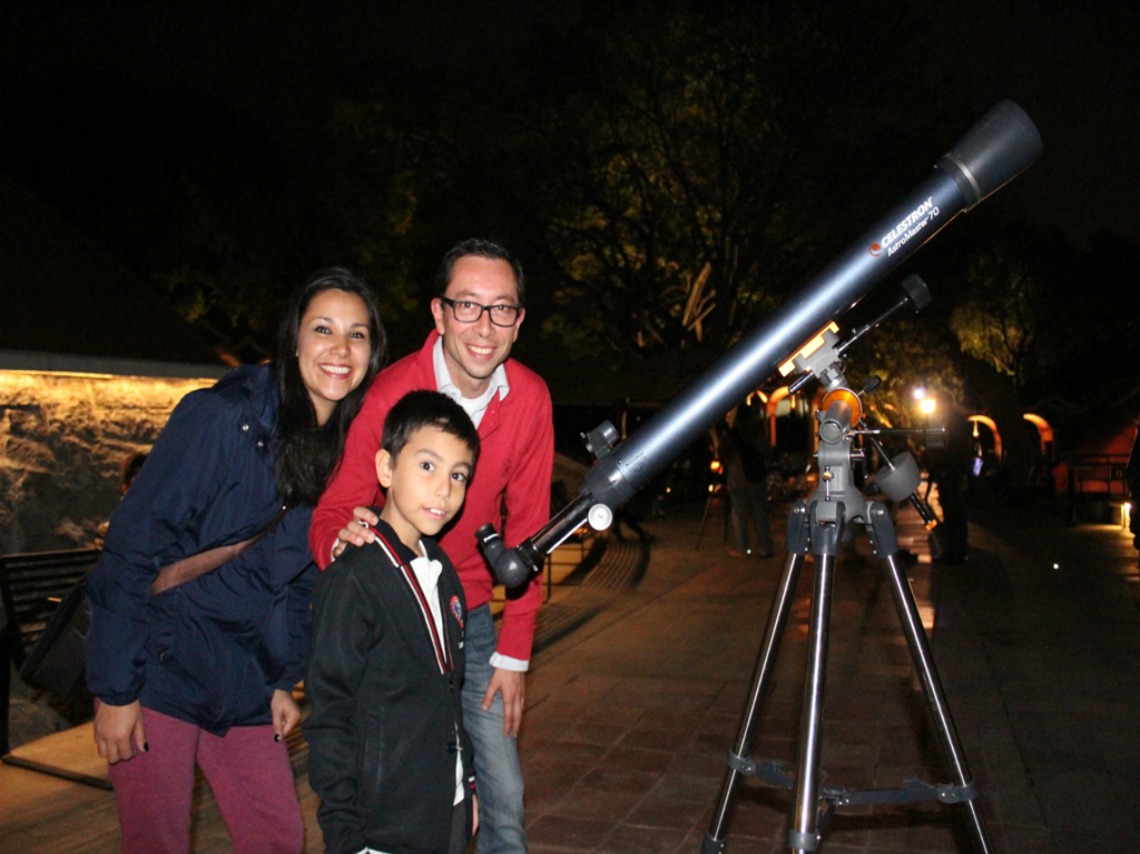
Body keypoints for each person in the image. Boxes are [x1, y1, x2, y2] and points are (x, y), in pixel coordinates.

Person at [85, 268, 386, 853]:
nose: (340, 349)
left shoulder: (342, 451)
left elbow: (296, 580)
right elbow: (129, 547)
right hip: (157, 667)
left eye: (358, 335)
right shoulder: (224, 418)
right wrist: (118, 692)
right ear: (294, 338)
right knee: (157, 841)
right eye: (324, 329)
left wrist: (280, 678)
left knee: (276, 835)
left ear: (373, 354)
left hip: (242, 675)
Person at [311, 238, 553, 852]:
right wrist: (342, 545)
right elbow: (336, 508)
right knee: (403, 781)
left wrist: (515, 652)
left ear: (519, 321)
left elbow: (530, 530)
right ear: (439, 313)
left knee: (503, 793)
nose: (484, 325)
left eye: (502, 309)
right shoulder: (392, 390)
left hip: (468, 615)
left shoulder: (529, 398)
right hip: (397, 617)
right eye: (467, 306)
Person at [306, 390, 481, 854]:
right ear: (386, 468)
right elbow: (329, 715)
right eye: (427, 466)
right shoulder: (353, 580)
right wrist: (346, 836)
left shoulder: (444, 576)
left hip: (448, 804)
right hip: (382, 825)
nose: (444, 489)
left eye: (458, 475)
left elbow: (450, 695)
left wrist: (468, 783)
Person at [720, 402, 774, 559]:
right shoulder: (757, 433)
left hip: (737, 477)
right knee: (760, 512)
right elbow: (768, 452)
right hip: (756, 476)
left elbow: (723, 454)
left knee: (739, 513)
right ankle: (765, 547)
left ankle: (743, 548)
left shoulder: (731, 434)